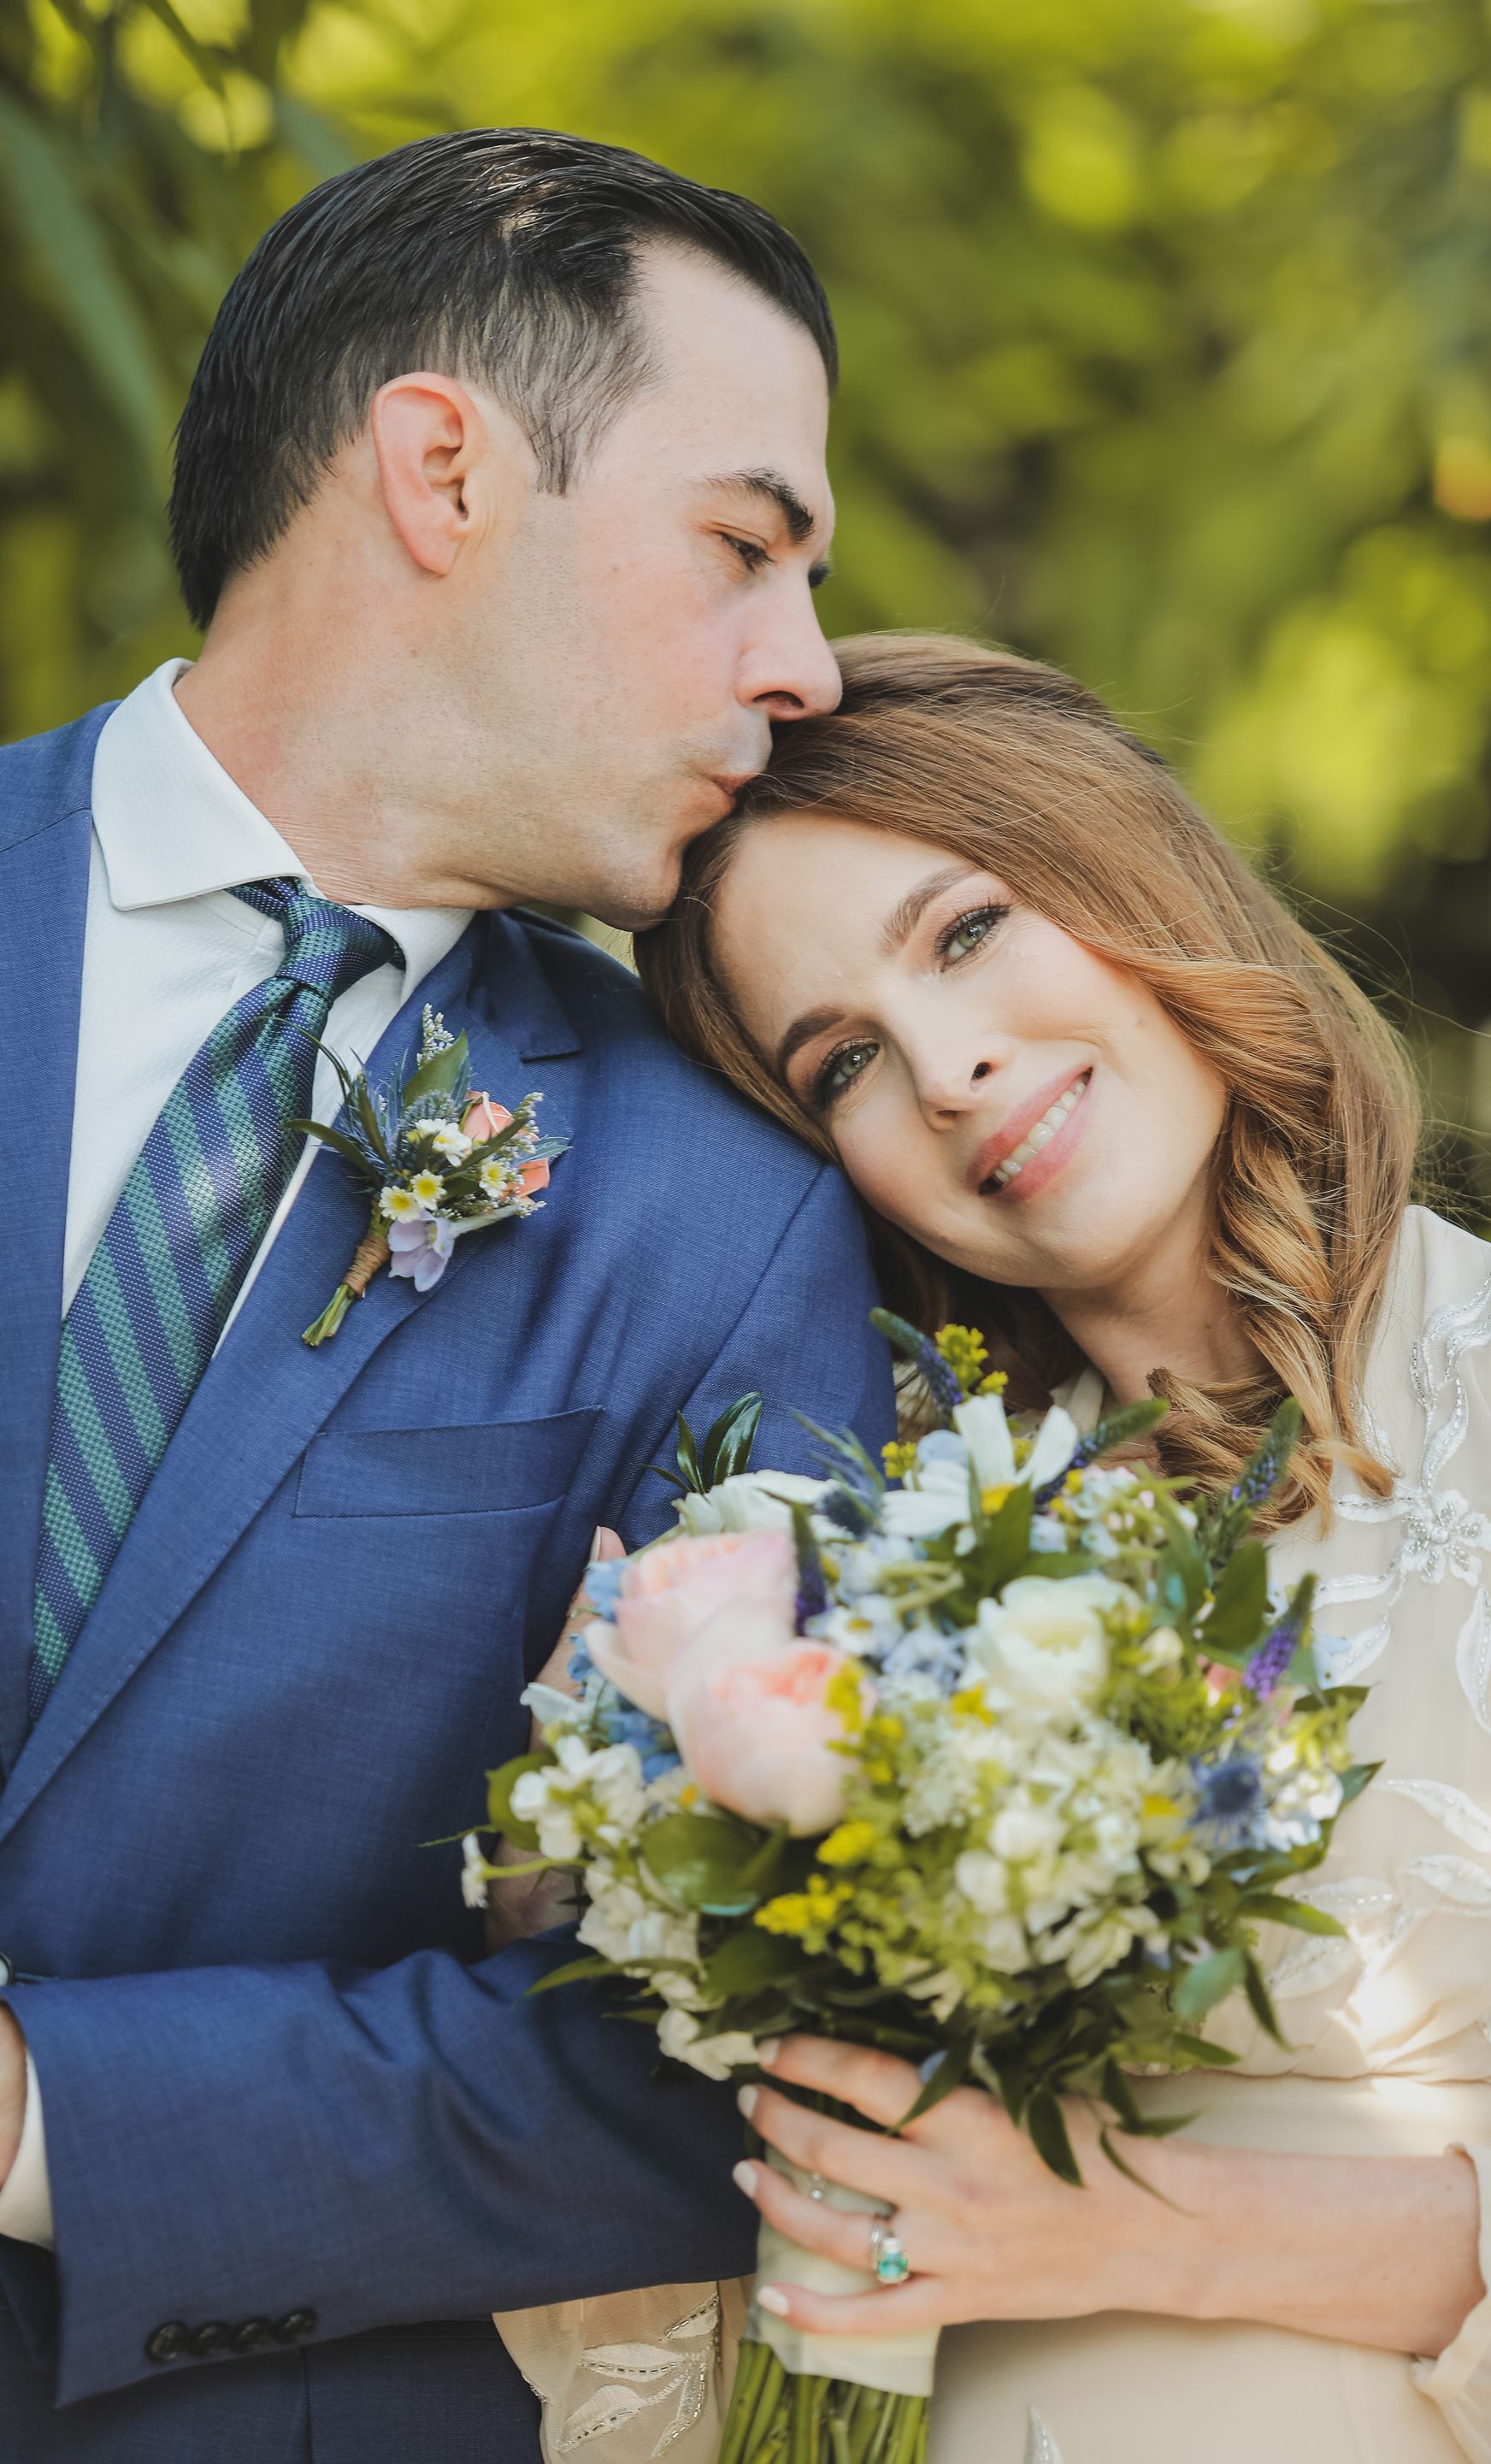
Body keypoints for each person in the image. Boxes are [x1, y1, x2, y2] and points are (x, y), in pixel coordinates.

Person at [0, 132, 897, 2464]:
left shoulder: (731, 1221)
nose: (805, 666)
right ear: (440, 467)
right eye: (745, 544)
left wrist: (17, 2111)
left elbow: (714, 2065)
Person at [625, 630, 1491, 2462]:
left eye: (964, 930)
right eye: (842, 1058)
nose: (947, 1067)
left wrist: (1116, 2223)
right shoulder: (866, 1577)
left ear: (1121, 866)